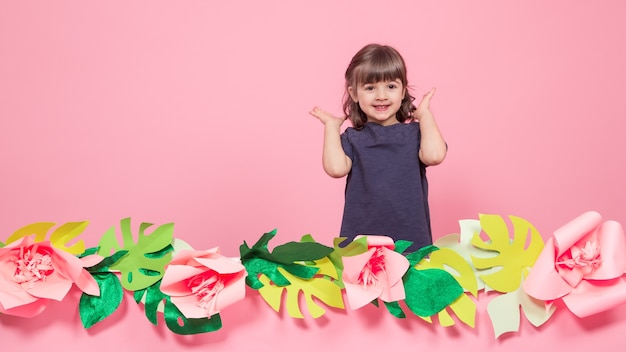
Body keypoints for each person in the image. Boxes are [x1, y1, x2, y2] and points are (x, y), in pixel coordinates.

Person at [310, 43, 447, 252]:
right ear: (354, 94)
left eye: (391, 87)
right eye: (370, 88)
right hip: (361, 244)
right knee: (361, 285)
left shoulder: (415, 134)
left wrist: (425, 115)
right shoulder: (353, 138)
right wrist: (331, 126)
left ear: (403, 92)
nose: (381, 95)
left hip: (410, 242)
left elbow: (435, 155)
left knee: (409, 285)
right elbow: (336, 169)